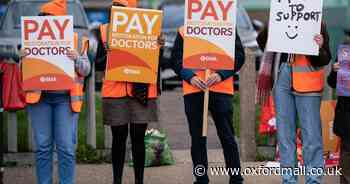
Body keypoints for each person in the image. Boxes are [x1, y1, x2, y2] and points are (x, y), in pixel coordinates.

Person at [22, 0, 91, 184]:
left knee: (66, 148)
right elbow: (24, 72)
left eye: (51, 18)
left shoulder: (77, 40)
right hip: (40, 99)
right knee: (43, 148)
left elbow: (86, 70)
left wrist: (76, 58)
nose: (47, 22)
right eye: (44, 18)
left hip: (65, 101)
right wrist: (24, 59)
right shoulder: (32, 38)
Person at [95, 0, 163, 183]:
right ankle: (117, 181)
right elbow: (98, 64)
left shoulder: (146, 27)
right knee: (119, 139)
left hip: (140, 92)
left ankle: (138, 181)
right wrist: (108, 52)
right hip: (115, 92)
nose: (116, 10)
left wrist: (159, 47)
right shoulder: (104, 31)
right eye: (115, 6)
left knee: (138, 138)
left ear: (132, 10)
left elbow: (156, 63)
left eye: (121, 7)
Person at [256, 23, 332, 184]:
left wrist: (319, 46)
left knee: (311, 136)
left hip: (308, 82)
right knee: (284, 135)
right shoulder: (280, 16)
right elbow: (261, 40)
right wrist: (273, 24)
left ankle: (314, 180)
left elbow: (325, 59)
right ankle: (289, 180)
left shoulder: (316, 20)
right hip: (281, 76)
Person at [171, 26, 245, 184]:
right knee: (197, 138)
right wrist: (189, 76)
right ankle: (201, 178)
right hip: (194, 89)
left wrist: (221, 74)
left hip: (221, 89)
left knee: (227, 136)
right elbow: (176, 59)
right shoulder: (184, 30)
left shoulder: (227, 26)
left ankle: (236, 178)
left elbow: (239, 56)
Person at [327, 29, 350, 184]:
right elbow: (332, 83)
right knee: (347, 149)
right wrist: (335, 71)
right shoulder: (345, 52)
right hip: (347, 111)